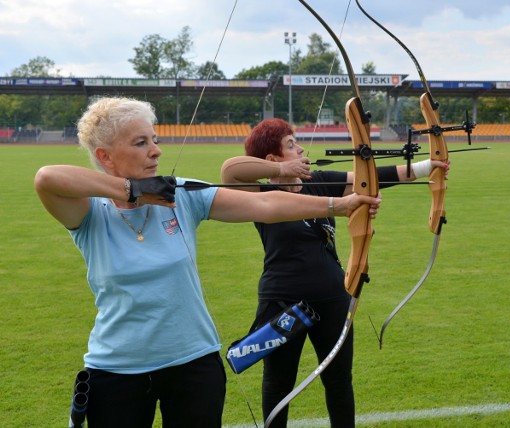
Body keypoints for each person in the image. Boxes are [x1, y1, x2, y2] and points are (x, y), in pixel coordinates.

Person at [33, 97, 381, 428]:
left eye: (154, 139)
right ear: (105, 156)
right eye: (140, 143)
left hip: (193, 363)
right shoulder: (90, 211)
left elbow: (266, 205)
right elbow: (47, 178)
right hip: (116, 370)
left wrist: (340, 204)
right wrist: (132, 191)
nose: (156, 150)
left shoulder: (179, 194)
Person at [220, 118, 449, 427]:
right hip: (283, 303)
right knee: (279, 384)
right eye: (291, 146)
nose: (301, 149)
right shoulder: (260, 196)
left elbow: (372, 176)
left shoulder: (321, 179)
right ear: (272, 159)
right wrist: (282, 172)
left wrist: (428, 167)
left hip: (333, 298)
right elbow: (230, 171)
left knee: (339, 381)